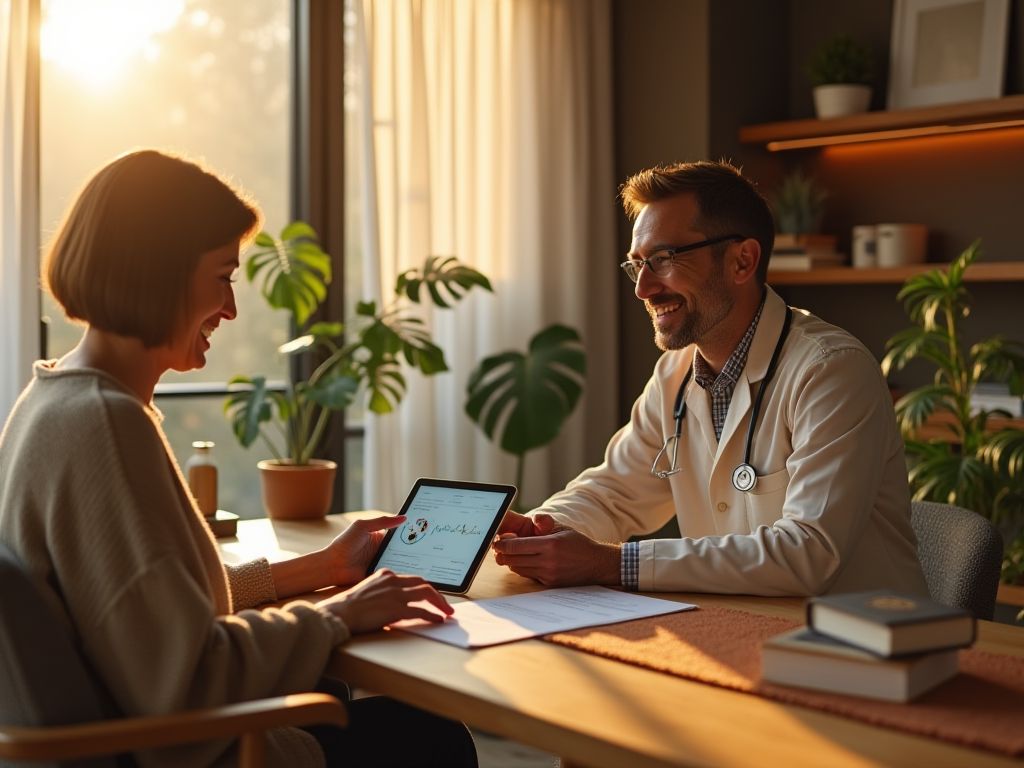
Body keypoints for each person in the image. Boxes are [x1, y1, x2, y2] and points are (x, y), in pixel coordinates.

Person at [0, 150, 477, 768]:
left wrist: (318, 569)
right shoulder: (106, 425)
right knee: (432, 735)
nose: (230, 309)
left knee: (328, 689)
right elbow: (187, 674)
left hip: (125, 736)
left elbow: (150, 609)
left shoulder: (49, 400)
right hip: (178, 755)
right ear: (161, 274)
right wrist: (337, 614)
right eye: (224, 276)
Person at [493, 160, 928, 597]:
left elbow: (809, 553)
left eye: (663, 259)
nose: (643, 288)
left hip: (859, 633)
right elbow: (613, 493)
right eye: (637, 264)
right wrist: (540, 530)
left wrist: (612, 563)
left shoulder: (831, 371)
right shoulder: (675, 374)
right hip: (739, 623)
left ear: (742, 261)